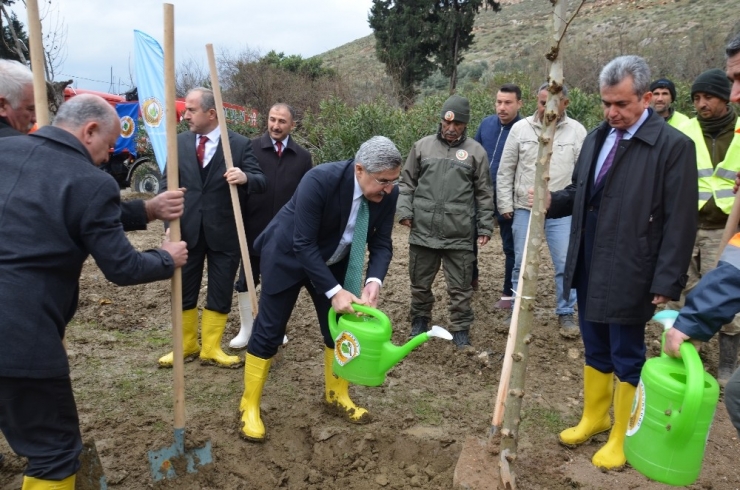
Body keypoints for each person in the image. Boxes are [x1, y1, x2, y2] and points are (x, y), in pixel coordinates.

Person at [0, 94, 188, 490]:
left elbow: (71, 208)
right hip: (19, 335)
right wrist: (166, 257)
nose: (108, 157)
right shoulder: (90, 180)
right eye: (108, 145)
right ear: (89, 131)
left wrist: (148, 210)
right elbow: (122, 267)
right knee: (53, 453)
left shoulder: (8, 149)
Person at [545, 55, 697, 470]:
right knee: (594, 344)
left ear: (647, 98)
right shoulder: (597, 137)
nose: (612, 113)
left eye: (622, 105)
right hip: (590, 256)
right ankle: (594, 417)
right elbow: (582, 192)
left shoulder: (672, 147)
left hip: (634, 264)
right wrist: (551, 202)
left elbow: (680, 221)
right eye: (606, 103)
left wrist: (666, 280)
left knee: (626, 352)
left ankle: (621, 434)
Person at [237, 136, 401, 442]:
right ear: (360, 169)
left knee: (339, 330)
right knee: (270, 330)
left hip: (333, 258)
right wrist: (334, 291)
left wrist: (373, 282)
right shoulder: (320, 180)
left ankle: (335, 395)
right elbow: (303, 244)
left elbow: (381, 243)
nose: (390, 188)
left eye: (394, 181)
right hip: (287, 256)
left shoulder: (388, 193)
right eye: (384, 181)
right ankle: (249, 405)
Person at [0, 59, 185, 232]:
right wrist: (165, 255)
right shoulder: (24, 154)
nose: (35, 118)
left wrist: (147, 210)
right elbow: (88, 213)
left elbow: (83, 210)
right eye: (30, 109)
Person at [158, 87, 266, 369]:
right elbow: (163, 186)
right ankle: (186, 346)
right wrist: (169, 223)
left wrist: (245, 177)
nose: (185, 115)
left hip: (225, 232)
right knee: (183, 289)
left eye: (191, 110)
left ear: (211, 113)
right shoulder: (178, 142)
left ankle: (211, 348)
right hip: (186, 231)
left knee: (219, 290)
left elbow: (261, 180)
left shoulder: (239, 145)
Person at [398, 95, 494, 348]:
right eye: (446, 122)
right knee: (419, 283)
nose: (451, 129)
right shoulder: (422, 147)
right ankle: (419, 320)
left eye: (458, 124)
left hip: (460, 232)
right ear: (440, 120)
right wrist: (405, 211)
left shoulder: (476, 152)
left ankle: (460, 329)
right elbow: (407, 183)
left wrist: (484, 226)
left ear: (465, 124)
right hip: (423, 229)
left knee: (461, 287)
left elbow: (483, 192)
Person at [667, 68, 740, 386]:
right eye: (696, 98)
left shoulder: (738, 129)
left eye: (708, 96)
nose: (701, 103)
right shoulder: (686, 129)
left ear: (725, 98)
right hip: (688, 225)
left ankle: (726, 365)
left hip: (724, 227)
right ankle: (689, 353)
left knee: (725, 295)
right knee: (680, 289)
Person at [496, 83, 586, 335]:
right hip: (525, 208)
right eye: (542, 102)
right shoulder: (520, 129)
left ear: (566, 103)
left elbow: (583, 177)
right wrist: (505, 203)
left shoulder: (577, 131)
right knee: (521, 263)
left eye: (553, 103)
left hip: (562, 211)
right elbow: (506, 170)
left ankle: (566, 313)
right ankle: (517, 311)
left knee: (565, 262)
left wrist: (576, 206)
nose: (546, 108)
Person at [229, 103, 313, 349]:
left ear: (292, 125)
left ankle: (275, 328)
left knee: (278, 283)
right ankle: (246, 328)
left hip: (285, 234)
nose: (275, 126)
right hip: (252, 228)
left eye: (282, 121)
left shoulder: (303, 157)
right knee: (246, 280)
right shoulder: (251, 149)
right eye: (272, 119)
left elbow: (306, 196)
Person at [474, 83, 523, 309]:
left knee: (511, 247)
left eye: (507, 103)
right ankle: (470, 279)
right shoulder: (486, 125)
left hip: (509, 198)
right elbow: (473, 156)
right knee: (466, 239)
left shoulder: (524, 129)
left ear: (519, 104)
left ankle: (508, 293)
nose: (501, 108)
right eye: (499, 102)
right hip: (481, 196)